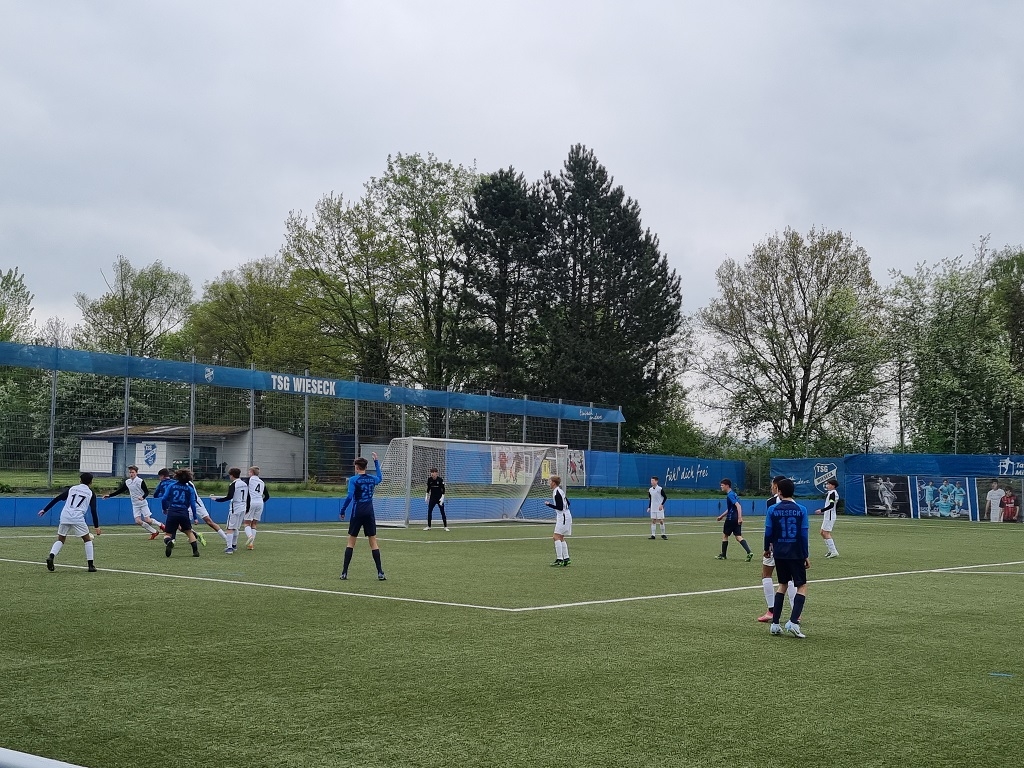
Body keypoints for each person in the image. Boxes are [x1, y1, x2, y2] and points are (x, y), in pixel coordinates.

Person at [764, 477, 810, 638]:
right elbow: (803, 535)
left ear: (779, 491)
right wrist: (805, 555)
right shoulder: (801, 509)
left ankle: (775, 624)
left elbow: (768, 532)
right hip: (796, 552)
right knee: (801, 586)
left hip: (779, 552)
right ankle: (793, 622)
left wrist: (766, 549)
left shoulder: (772, 509)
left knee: (782, 584)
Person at [37, 472, 102, 572]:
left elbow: (58, 498)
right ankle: (91, 565)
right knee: (87, 540)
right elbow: (93, 510)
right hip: (77, 518)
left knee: (61, 539)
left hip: (65, 516)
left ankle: (51, 556)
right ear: (91, 482)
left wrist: (44, 510)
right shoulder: (91, 493)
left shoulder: (72, 489)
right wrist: (96, 526)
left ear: (80, 480)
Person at [339, 452, 386, 580]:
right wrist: (376, 462)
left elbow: (350, 496)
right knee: (373, 541)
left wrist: (342, 510)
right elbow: (380, 478)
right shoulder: (372, 479)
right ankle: (380, 572)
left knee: (351, 541)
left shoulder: (354, 480)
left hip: (358, 511)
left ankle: (344, 572)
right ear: (365, 467)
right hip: (369, 511)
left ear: (356, 467)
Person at [757, 477, 797, 622]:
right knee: (790, 578)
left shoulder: (771, 503)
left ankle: (771, 611)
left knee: (766, 575)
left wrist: (766, 547)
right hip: (790, 545)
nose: (771, 488)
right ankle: (796, 612)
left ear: (776, 487)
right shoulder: (794, 504)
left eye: (772, 485)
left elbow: (769, 528)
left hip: (775, 545)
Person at [104, 465, 163, 539]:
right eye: (130, 472)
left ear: (136, 473)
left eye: (133, 472)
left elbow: (146, 492)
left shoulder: (140, 481)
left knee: (148, 520)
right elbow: (120, 491)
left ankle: (160, 525)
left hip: (143, 504)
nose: (131, 474)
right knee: (138, 521)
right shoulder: (128, 482)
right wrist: (109, 495)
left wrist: (143, 497)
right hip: (135, 504)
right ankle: (154, 532)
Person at [160, 469, 201, 558]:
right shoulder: (189, 489)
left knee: (168, 534)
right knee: (189, 532)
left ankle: (169, 542)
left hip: (172, 511)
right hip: (183, 512)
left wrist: (164, 509)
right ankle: (195, 551)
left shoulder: (171, 486)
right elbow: (193, 504)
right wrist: (195, 517)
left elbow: (164, 499)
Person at [210, 467, 250, 553]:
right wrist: (248, 507)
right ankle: (234, 545)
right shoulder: (244, 484)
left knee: (230, 528)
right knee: (236, 527)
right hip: (243, 507)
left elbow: (229, 496)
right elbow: (248, 496)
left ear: (232, 475)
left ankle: (229, 548)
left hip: (235, 508)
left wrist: (217, 500)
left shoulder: (233, 484)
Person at [716, 478, 753, 561]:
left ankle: (723, 555)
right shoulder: (734, 494)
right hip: (735, 519)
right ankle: (749, 552)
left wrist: (740, 517)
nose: (721, 487)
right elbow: (731, 508)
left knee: (725, 535)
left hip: (731, 519)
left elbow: (738, 506)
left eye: (722, 485)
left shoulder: (730, 495)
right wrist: (721, 516)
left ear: (727, 486)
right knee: (738, 536)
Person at [545, 474, 571, 566]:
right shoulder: (560, 491)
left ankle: (559, 559)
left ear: (554, 483)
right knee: (560, 537)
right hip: (565, 515)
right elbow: (568, 503)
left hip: (563, 516)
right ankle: (566, 558)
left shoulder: (557, 493)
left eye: (550, 481)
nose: (549, 483)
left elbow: (560, 507)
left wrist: (549, 505)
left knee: (556, 537)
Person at [243, 466, 269, 550]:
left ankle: (250, 536)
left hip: (251, 502)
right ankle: (251, 544)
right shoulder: (262, 482)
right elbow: (267, 496)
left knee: (247, 523)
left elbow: (244, 490)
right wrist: (261, 501)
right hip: (260, 503)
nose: (248, 473)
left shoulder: (249, 480)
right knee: (254, 524)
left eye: (249, 472)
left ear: (251, 472)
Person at [821, 478, 840, 558]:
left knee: (826, 533)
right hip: (827, 515)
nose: (827, 485)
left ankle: (834, 551)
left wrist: (821, 510)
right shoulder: (830, 493)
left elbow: (831, 505)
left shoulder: (833, 493)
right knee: (822, 532)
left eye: (829, 484)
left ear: (833, 486)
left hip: (830, 516)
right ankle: (830, 550)